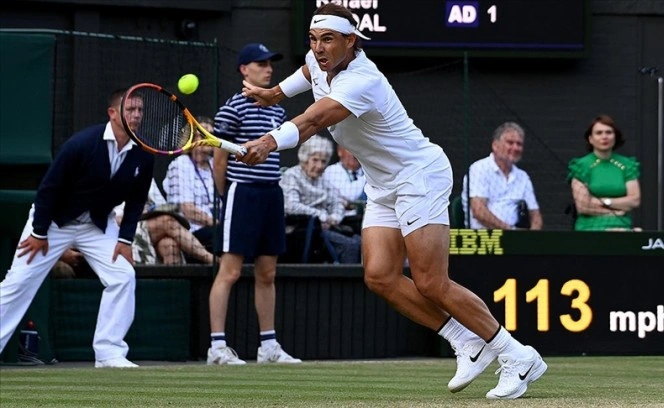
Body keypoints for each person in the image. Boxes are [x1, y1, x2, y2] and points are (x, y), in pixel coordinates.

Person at [237, 4, 546, 399]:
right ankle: (466, 341)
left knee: (431, 281)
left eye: (328, 39)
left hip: (420, 175)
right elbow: (304, 74)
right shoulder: (319, 64)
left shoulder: (362, 80)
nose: (318, 48)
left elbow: (314, 119)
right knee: (379, 275)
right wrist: (274, 93)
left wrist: (269, 140)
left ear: (351, 41)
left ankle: (517, 355)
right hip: (382, 183)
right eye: (313, 40)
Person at [0, 88, 154, 368]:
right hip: (52, 224)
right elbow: (48, 189)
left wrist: (126, 239)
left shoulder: (143, 155)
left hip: (96, 226)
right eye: (130, 110)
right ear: (112, 114)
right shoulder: (81, 144)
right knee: (18, 283)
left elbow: (136, 202)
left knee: (123, 276)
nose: (136, 115)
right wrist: (39, 232)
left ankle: (110, 354)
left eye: (140, 110)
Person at [207, 42, 301, 365]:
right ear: (244, 70)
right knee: (230, 271)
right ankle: (217, 348)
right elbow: (219, 160)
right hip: (242, 194)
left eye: (270, 63)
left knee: (267, 272)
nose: (269, 69)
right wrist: (227, 196)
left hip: (271, 194)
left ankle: (268, 347)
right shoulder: (232, 108)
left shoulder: (278, 110)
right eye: (260, 64)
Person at [280, 135, 362, 263]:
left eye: (323, 161)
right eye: (315, 160)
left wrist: (334, 218)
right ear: (305, 159)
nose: (319, 166)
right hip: (300, 231)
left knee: (359, 241)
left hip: (324, 229)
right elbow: (291, 206)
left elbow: (337, 203)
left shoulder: (322, 180)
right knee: (350, 246)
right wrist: (322, 216)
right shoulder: (292, 176)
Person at [462, 122, 543, 230]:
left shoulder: (523, 177)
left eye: (519, 144)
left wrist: (533, 239)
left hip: (516, 239)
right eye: (510, 143)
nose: (515, 148)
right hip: (485, 238)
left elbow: (535, 215)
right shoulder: (479, 169)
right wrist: (509, 231)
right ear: (495, 145)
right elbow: (479, 211)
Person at [568, 115, 641, 231]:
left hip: (622, 227)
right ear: (590, 139)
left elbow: (634, 200)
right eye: (599, 133)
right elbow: (583, 206)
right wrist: (615, 211)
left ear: (615, 137)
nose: (604, 136)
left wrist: (605, 201)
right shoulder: (581, 166)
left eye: (608, 132)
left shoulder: (627, 165)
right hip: (589, 228)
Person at [163, 116, 218, 256]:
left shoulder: (215, 164)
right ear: (191, 138)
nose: (207, 139)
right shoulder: (180, 164)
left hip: (216, 228)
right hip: (191, 232)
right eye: (202, 134)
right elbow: (188, 210)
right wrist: (218, 224)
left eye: (210, 135)